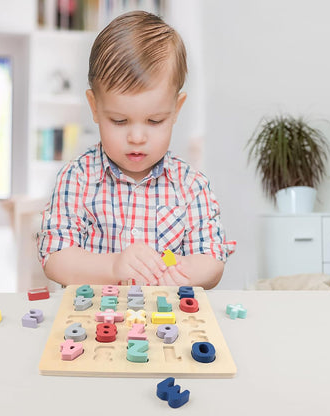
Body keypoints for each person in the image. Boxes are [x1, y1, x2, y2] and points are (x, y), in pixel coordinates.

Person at [37, 11, 236, 289]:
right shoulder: (77, 179)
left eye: (155, 121)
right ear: (95, 108)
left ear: (176, 110)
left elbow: (212, 257)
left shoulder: (191, 186)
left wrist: (184, 272)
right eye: (119, 121)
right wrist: (113, 267)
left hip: (167, 327)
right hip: (93, 325)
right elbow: (55, 258)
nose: (137, 136)